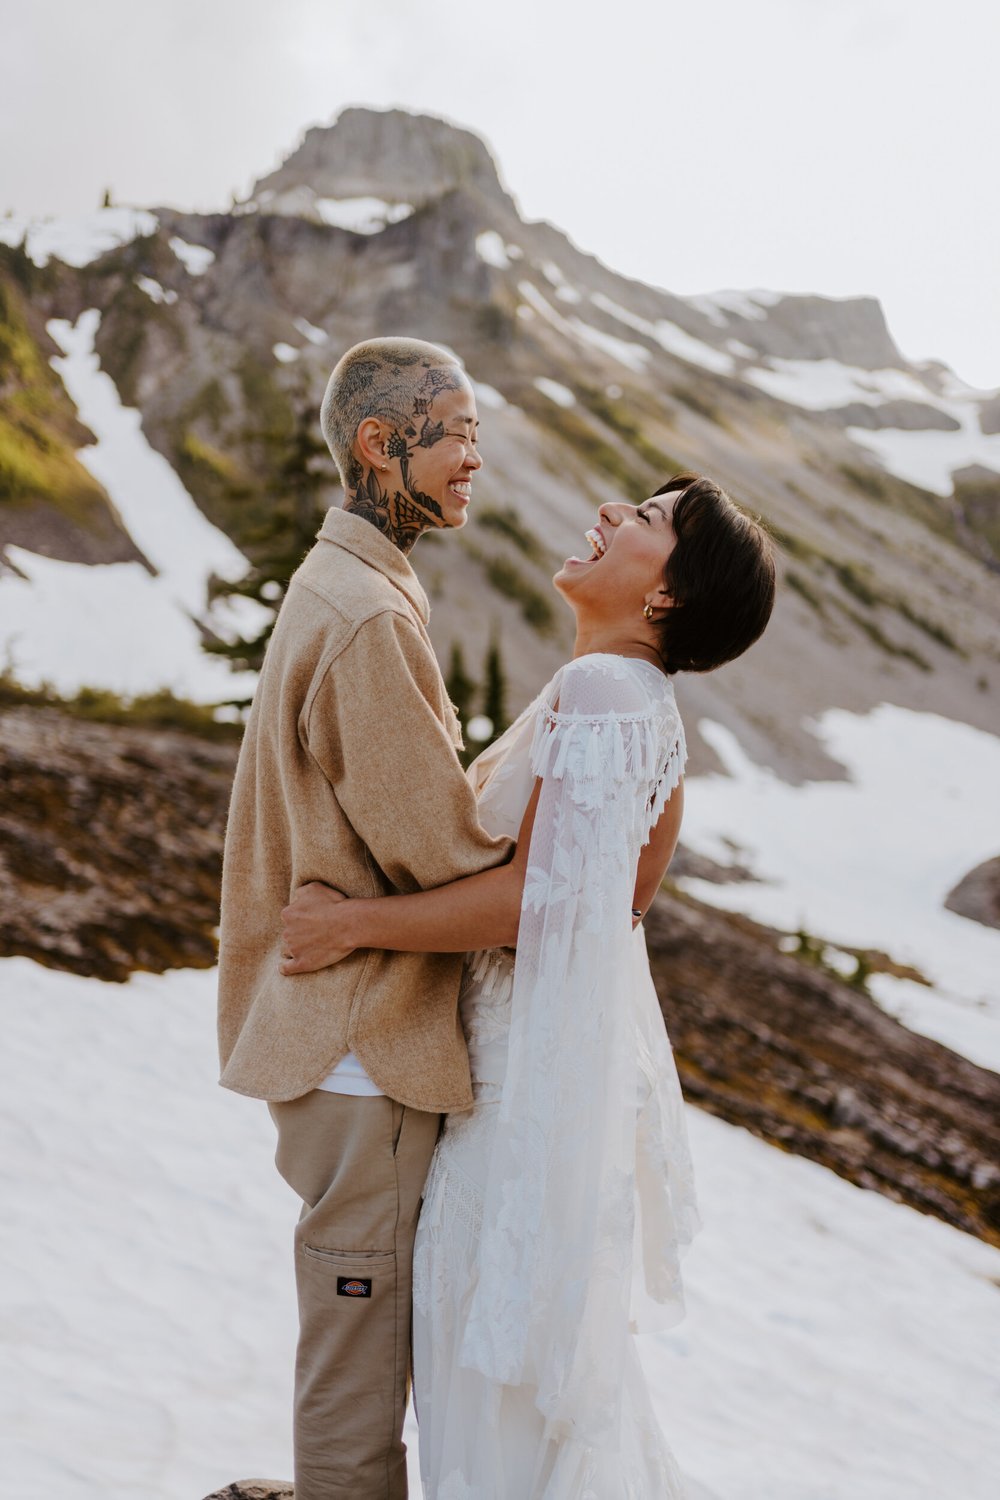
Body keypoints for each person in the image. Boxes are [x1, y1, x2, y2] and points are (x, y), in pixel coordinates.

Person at [279, 473, 777, 1497]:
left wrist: (349, 925)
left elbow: (536, 907)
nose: (607, 513)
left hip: (508, 1106)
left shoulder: (604, 694)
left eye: (643, 521)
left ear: (666, 598)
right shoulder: (648, 711)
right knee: (522, 1391)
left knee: (483, 1390)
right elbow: (619, 904)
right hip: (541, 1089)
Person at [216, 336, 514, 1500]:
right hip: (363, 1046)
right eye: (453, 433)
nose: (473, 458)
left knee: (357, 1338)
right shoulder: (366, 617)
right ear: (379, 446)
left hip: (338, 1036)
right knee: (354, 1366)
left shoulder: (350, 582)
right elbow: (437, 850)